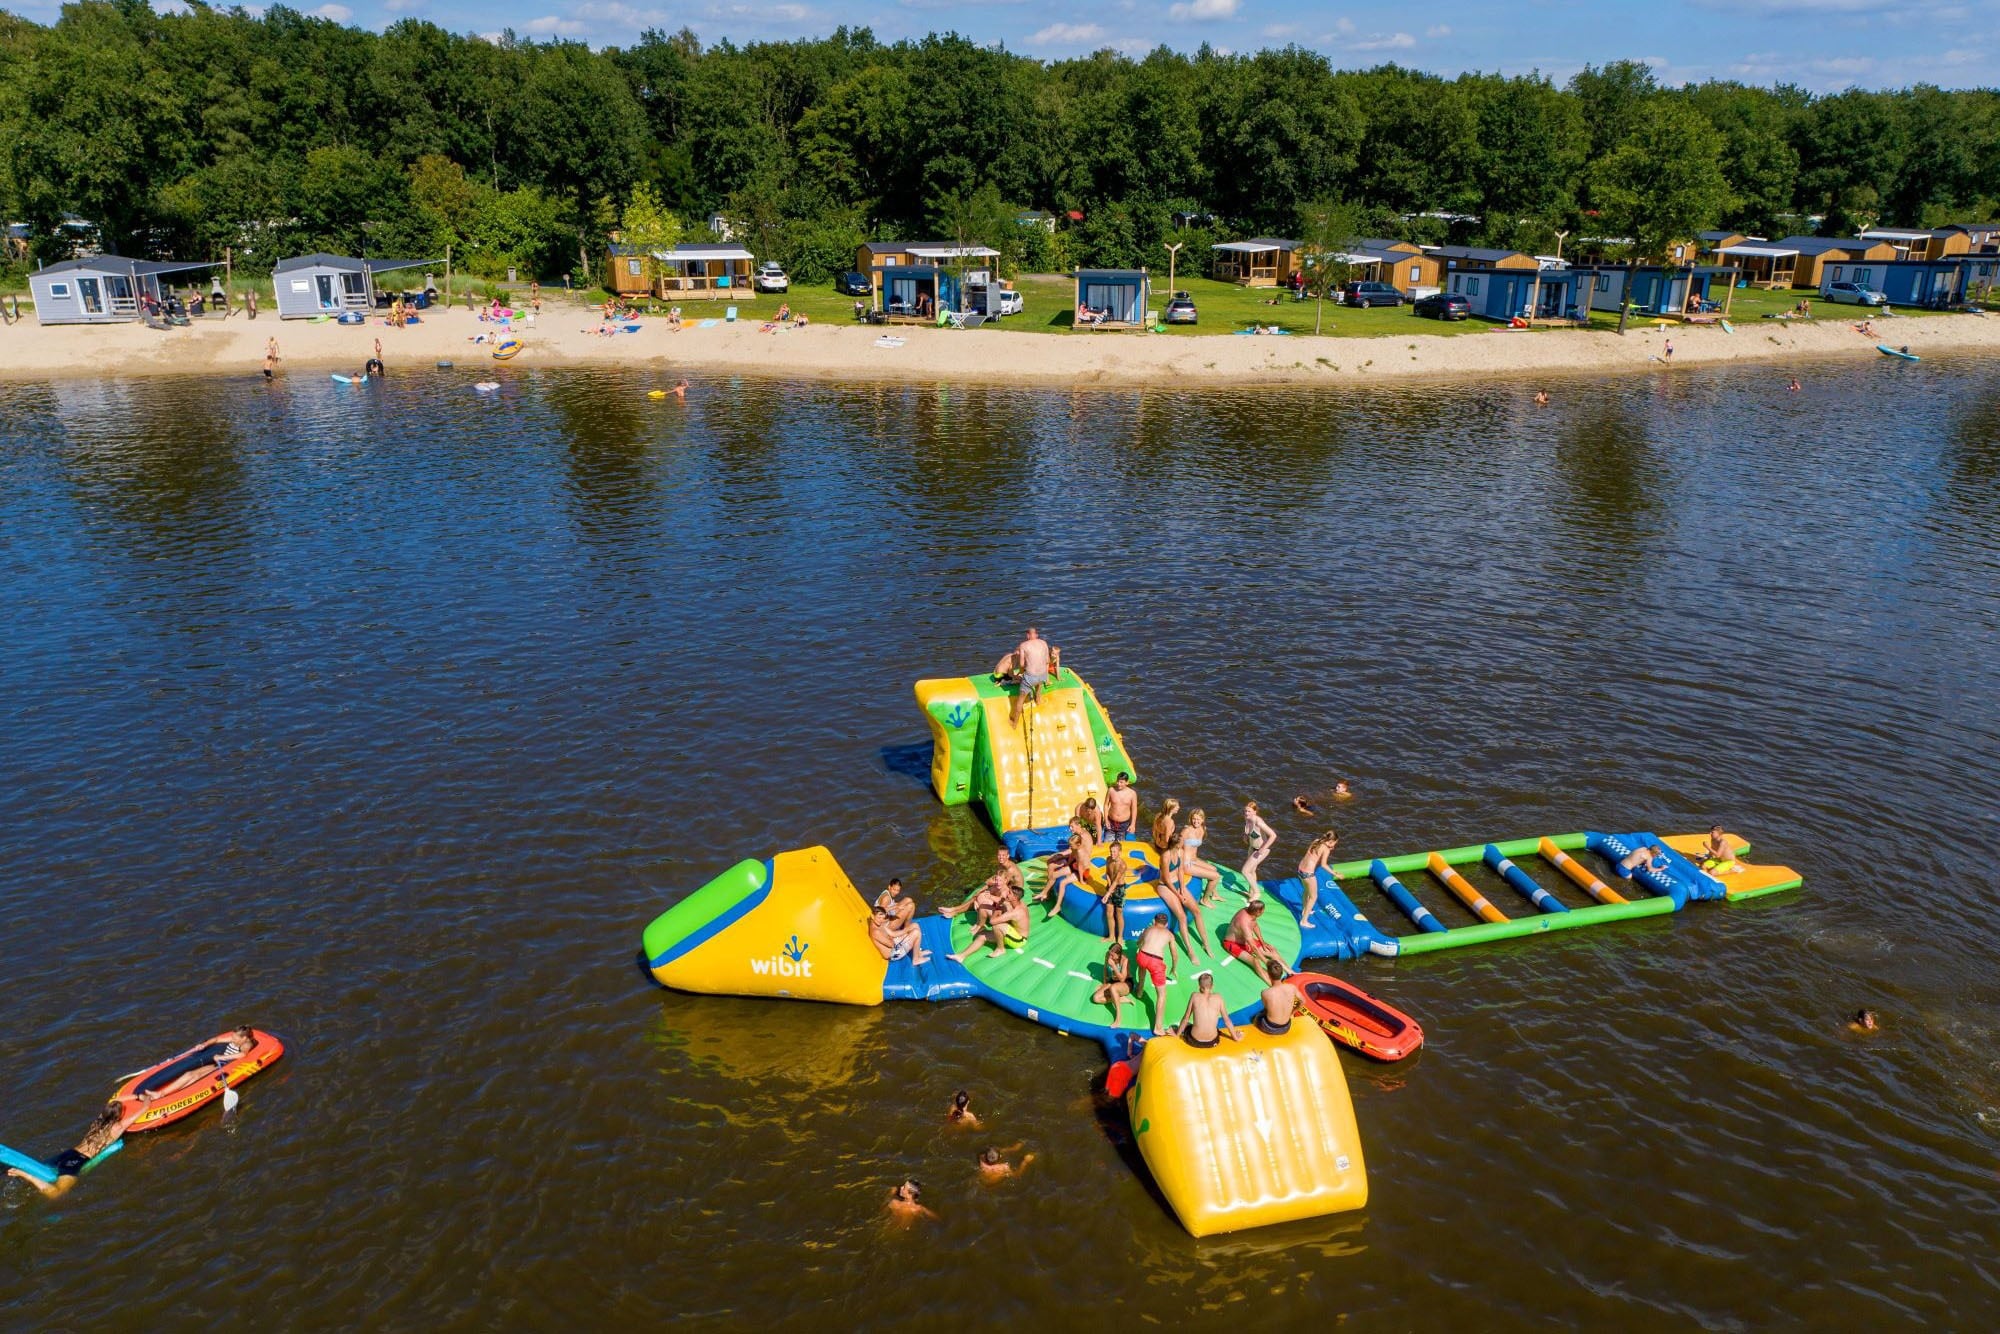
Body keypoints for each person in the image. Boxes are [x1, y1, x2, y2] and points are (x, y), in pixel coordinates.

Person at [5, 1099, 146, 1199]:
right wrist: (146, 1099)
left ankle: (13, 1169)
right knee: (58, 1194)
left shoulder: (98, 1120)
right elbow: (144, 1109)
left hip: (68, 1154)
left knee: (45, 1170)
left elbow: (116, 1099)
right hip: (77, 1160)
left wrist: (131, 1097)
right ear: (119, 1116)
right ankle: (26, 1175)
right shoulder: (118, 1127)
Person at [138, 1027, 256, 1100]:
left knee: (191, 1076)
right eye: (233, 1036)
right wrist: (204, 1045)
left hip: (225, 1067)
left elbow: (243, 1055)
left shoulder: (246, 1044)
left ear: (244, 1038)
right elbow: (216, 1039)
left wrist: (222, 1057)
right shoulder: (235, 1039)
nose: (232, 1039)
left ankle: (159, 1095)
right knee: (190, 1074)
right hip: (218, 1064)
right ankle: (161, 1094)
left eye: (235, 1038)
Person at [1158, 831, 1211, 958]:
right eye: (1181, 842)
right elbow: (1166, 879)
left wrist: (1182, 888)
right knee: (1182, 916)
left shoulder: (1180, 852)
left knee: (1197, 911)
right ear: (1176, 844)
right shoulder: (1165, 856)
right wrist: (1178, 895)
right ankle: (1190, 950)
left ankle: (1205, 943)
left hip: (1177, 884)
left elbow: (1180, 870)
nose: (1184, 843)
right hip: (1165, 886)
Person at [1131, 916, 1185, 1036]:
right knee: (1162, 995)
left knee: (1142, 966)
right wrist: (1173, 968)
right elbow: (1175, 955)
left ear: (1155, 922)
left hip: (1142, 956)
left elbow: (1139, 942)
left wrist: (1142, 946)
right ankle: (1158, 1027)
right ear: (1166, 925)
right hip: (1155, 962)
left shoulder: (1149, 929)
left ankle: (1139, 990)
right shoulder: (1170, 935)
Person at [1222, 900, 1288, 984]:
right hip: (1232, 944)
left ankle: (1290, 972)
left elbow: (1255, 925)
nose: (1263, 912)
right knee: (1255, 961)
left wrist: (1262, 942)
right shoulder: (1244, 922)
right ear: (1258, 911)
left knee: (1271, 950)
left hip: (1245, 941)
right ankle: (1272, 984)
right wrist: (1266, 962)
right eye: (1263, 910)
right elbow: (1254, 947)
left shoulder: (1251, 912)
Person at [998, 627, 1053, 724]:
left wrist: (1020, 672)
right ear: (1036, 635)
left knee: (1021, 699)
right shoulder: (1044, 643)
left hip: (1030, 678)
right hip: (1043, 675)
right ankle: (1038, 699)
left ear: (1027, 635)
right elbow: (1048, 661)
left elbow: (1022, 665)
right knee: (1038, 683)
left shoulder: (1023, 645)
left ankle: (1014, 722)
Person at [1175, 970, 1241, 1048]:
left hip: (1194, 1041)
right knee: (1215, 1029)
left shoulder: (1194, 996)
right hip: (1212, 1041)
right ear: (1212, 986)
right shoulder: (1218, 997)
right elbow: (1227, 1021)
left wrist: (1177, 1035)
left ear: (1199, 987)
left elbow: (1186, 1019)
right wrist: (1235, 1037)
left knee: (1187, 1025)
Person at [1182, 808, 1225, 906]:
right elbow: (1177, 847)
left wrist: (1196, 860)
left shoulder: (1202, 829)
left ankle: (1214, 894)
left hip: (1194, 859)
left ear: (1202, 820)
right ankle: (1204, 900)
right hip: (1186, 863)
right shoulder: (1186, 831)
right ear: (1190, 819)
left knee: (1214, 869)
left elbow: (1194, 849)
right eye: (1193, 819)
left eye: (1198, 819)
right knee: (1216, 876)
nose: (1195, 821)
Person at [1296, 831, 1337, 927]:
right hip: (1308, 874)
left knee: (1306, 891)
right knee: (1313, 897)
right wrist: (1334, 873)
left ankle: (1304, 910)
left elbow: (1312, 854)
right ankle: (1304, 921)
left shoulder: (1316, 841)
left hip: (1300, 870)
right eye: (1335, 843)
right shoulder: (1326, 849)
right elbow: (1323, 865)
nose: (1335, 846)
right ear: (1331, 841)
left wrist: (1329, 846)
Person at [1241, 800, 1277, 900]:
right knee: (1252, 871)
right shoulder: (1247, 819)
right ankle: (1251, 892)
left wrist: (1262, 849)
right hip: (1251, 848)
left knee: (1245, 871)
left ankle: (1257, 892)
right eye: (1245, 811)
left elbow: (1273, 835)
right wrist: (1245, 836)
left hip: (1261, 850)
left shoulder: (1258, 822)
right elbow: (1248, 830)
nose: (1246, 813)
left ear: (1255, 812)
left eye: (1249, 811)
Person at [1093, 941, 1132, 1026]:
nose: (1110, 956)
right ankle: (1120, 999)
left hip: (1125, 984)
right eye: (1109, 953)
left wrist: (1114, 966)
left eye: (1112, 955)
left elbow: (1122, 979)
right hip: (1112, 981)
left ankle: (1118, 1018)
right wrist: (1104, 982)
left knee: (1113, 988)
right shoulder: (1108, 954)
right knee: (1096, 998)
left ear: (1119, 955)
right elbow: (1105, 968)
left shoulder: (1124, 960)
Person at [1099, 838, 1129, 943]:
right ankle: (1111, 936)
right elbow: (1107, 873)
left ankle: (1120, 937)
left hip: (1119, 889)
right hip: (1110, 886)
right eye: (1111, 851)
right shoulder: (1108, 859)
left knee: (1119, 913)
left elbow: (1116, 881)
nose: (1112, 853)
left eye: (1114, 852)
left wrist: (1108, 893)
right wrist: (1109, 885)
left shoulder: (1123, 865)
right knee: (1109, 912)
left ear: (1120, 852)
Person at [1259, 971, 1306, 1036]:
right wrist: (1292, 1012)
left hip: (1269, 1028)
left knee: (1258, 1016)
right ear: (1281, 974)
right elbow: (1303, 1001)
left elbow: (1266, 1009)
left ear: (1269, 976)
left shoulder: (1265, 992)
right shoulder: (1292, 987)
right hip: (1286, 1027)